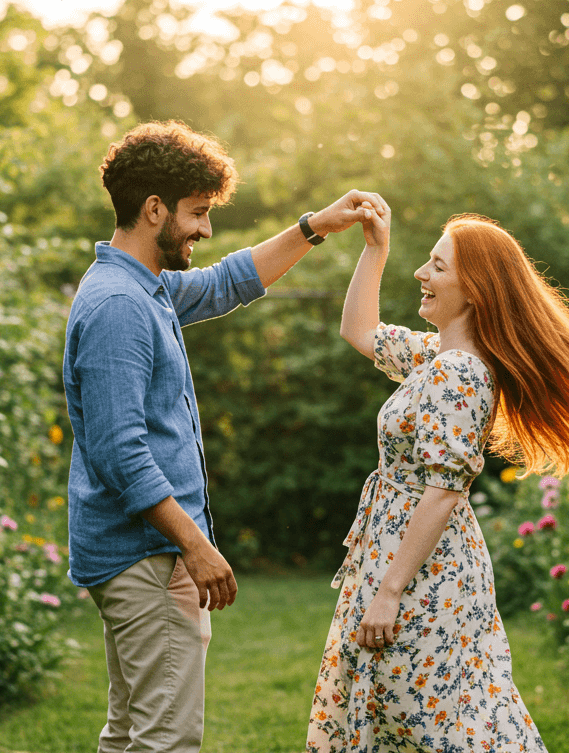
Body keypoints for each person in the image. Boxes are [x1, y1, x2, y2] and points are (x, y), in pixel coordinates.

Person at [63, 120, 384, 753]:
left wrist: (314, 227)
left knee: (130, 736)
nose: (205, 230)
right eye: (197, 213)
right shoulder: (120, 306)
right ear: (154, 209)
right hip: (147, 556)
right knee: (166, 742)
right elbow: (121, 452)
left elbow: (227, 281)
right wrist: (194, 545)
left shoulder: (142, 287)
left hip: (145, 555)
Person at [307, 209, 569, 752]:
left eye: (437, 266)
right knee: (417, 714)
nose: (421, 275)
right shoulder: (439, 358)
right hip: (405, 556)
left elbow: (445, 489)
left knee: (426, 721)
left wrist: (389, 590)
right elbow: (358, 330)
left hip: (423, 573)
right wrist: (375, 249)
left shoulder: (460, 373)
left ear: (473, 289)